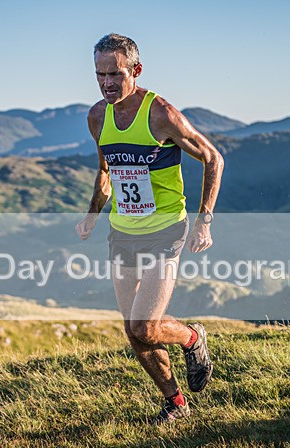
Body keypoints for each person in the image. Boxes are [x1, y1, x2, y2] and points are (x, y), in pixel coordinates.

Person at [76, 33, 224, 424]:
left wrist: (204, 220)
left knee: (145, 325)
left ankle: (192, 337)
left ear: (136, 70)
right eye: (100, 75)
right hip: (122, 232)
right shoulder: (97, 117)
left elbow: (213, 158)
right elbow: (105, 171)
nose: (107, 83)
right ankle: (176, 402)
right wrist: (92, 215)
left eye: (115, 73)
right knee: (134, 331)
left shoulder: (161, 114)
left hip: (165, 230)